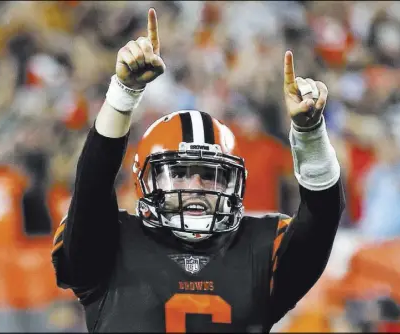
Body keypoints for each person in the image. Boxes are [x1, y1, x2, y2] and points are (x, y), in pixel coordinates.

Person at [51, 8, 344, 332]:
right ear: (144, 178)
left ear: (233, 183)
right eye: (179, 172)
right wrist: (122, 94)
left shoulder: (260, 248)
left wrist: (310, 133)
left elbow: (323, 214)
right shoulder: (112, 243)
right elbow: (93, 183)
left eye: (210, 174)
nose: (195, 184)